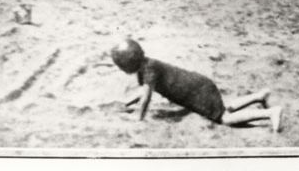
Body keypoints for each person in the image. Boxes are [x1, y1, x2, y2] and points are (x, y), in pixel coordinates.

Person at [112, 38, 283, 132]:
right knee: (223, 109)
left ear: (128, 65)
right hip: (199, 85)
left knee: (224, 118)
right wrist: (127, 104)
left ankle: (270, 113)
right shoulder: (147, 65)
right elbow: (144, 92)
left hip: (197, 91)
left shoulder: (149, 70)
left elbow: (146, 98)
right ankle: (260, 96)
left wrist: (139, 118)